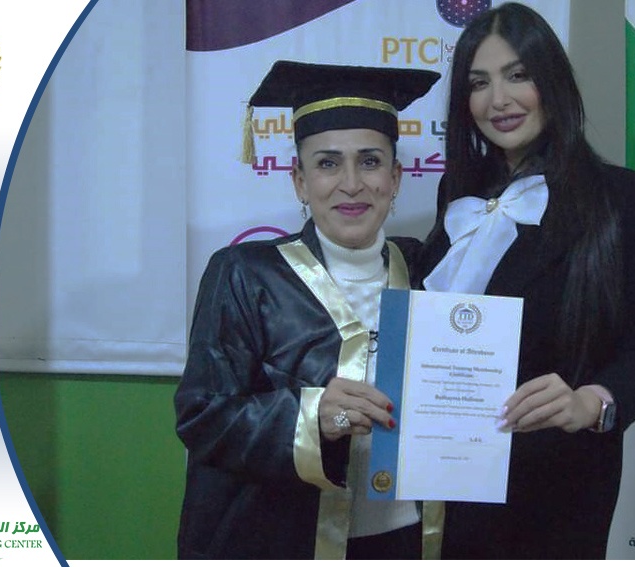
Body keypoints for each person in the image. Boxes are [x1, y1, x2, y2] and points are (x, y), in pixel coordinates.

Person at [419, 3, 635, 558]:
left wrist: (591, 403)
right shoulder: (458, 194)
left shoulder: (626, 200)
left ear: (552, 81)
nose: (498, 100)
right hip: (446, 474)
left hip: (558, 489)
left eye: (518, 75)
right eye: (479, 83)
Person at [174, 61, 443, 559]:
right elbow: (202, 417)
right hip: (284, 539)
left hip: (408, 538)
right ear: (299, 180)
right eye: (327, 164)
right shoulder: (245, 275)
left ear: (395, 177)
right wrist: (313, 414)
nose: (351, 183)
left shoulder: (429, 271)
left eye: (370, 161)